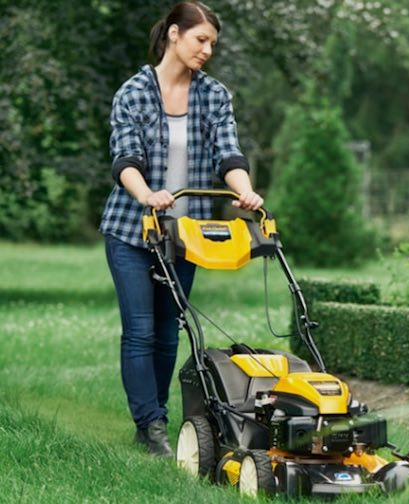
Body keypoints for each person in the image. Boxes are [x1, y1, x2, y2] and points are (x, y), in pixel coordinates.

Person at [100, 1, 262, 457]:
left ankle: (158, 419)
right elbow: (125, 160)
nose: (207, 50)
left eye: (212, 43)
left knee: (170, 331)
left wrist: (245, 192)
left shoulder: (214, 95)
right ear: (174, 34)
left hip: (182, 234)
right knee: (140, 330)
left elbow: (228, 154)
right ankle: (149, 425)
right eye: (200, 39)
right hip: (131, 229)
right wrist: (148, 194)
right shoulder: (133, 92)